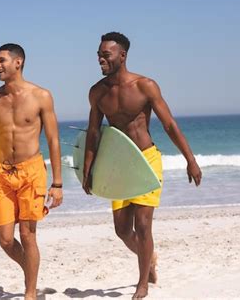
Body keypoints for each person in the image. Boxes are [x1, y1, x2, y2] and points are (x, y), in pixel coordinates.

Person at [83, 32, 202, 299]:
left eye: (106, 54)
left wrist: (190, 160)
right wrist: (88, 169)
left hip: (147, 159)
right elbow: (93, 132)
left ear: (122, 56)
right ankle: (149, 258)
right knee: (122, 230)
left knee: (143, 225)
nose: (101, 59)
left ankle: (143, 284)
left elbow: (170, 124)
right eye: (99, 54)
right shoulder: (98, 92)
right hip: (118, 165)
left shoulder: (145, 86)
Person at [0, 43, 63, 299]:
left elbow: (53, 139)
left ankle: (30, 292)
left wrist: (57, 184)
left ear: (18, 62)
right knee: (5, 239)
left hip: (32, 171)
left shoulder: (41, 96)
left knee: (27, 235)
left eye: (1, 60)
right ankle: (32, 273)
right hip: (2, 174)